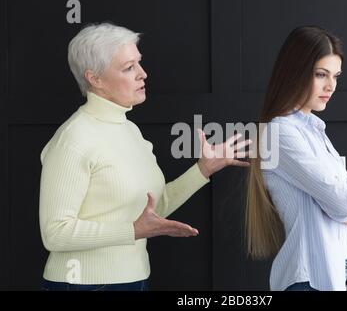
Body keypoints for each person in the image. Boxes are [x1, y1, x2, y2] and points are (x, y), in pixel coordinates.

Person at [39, 22, 250, 291]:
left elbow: (150, 213)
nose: (143, 74)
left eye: (139, 63)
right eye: (129, 68)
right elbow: (55, 233)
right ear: (95, 79)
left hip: (135, 280)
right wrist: (132, 231)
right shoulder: (73, 138)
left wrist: (202, 170)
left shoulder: (130, 130)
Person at [246, 26, 347, 291]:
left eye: (336, 76)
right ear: (296, 72)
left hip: (329, 276)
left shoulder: (314, 130)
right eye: (320, 75)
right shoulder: (279, 132)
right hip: (307, 281)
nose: (331, 86)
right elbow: (343, 202)